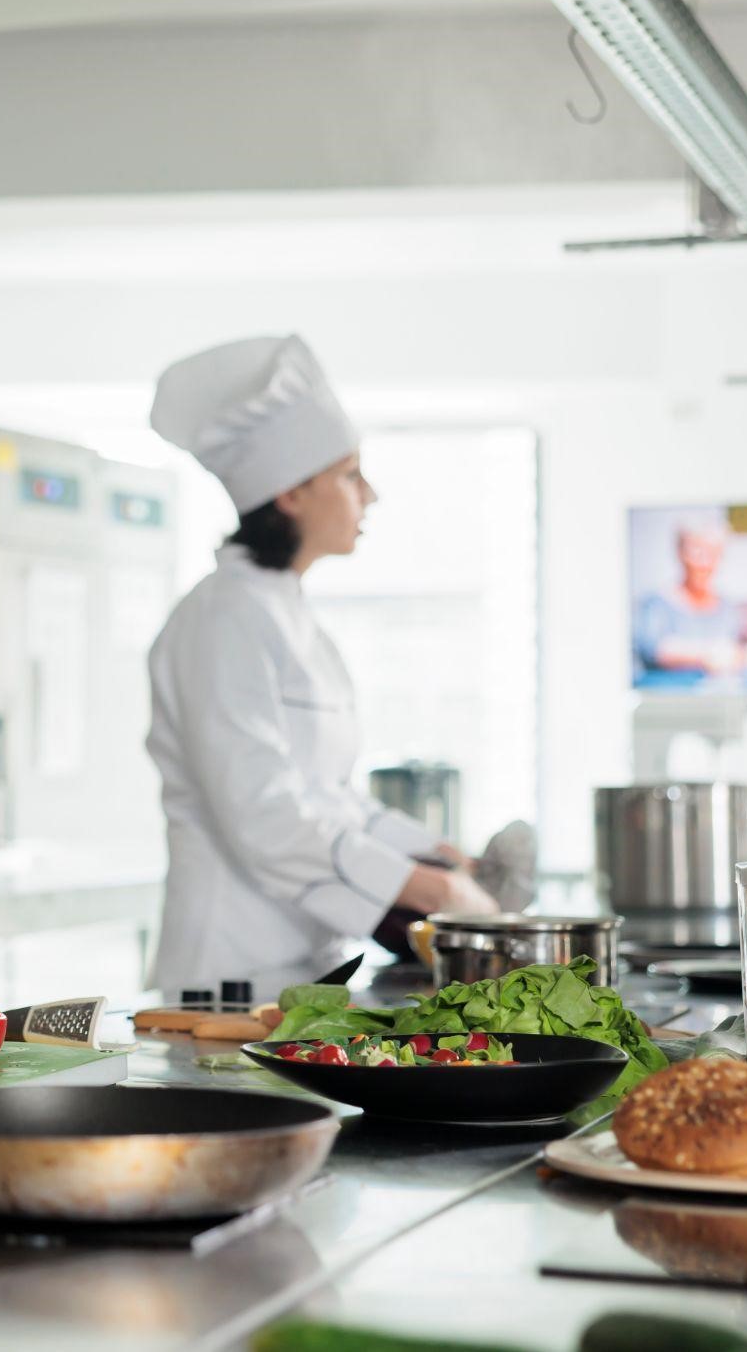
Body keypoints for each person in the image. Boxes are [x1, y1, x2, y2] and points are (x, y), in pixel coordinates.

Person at [145, 335, 499, 999]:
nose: (370, 494)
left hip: (302, 963)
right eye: (349, 474)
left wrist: (435, 852)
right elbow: (265, 816)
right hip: (229, 978)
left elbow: (326, 794)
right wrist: (433, 889)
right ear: (291, 494)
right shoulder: (223, 619)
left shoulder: (285, 611)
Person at [635, 521, 742, 679]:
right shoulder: (656, 603)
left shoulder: (726, 606)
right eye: (698, 551)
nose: (705, 563)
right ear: (680, 553)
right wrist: (708, 654)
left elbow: (733, 652)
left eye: (714, 553)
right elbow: (653, 650)